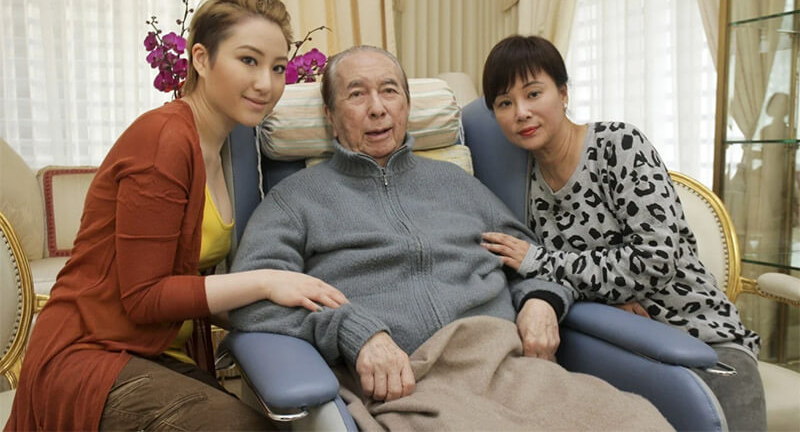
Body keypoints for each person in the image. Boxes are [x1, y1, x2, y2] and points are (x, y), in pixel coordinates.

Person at [229, 45, 673, 430]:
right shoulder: (296, 200)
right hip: (408, 383)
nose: (378, 108)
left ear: (406, 104)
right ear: (330, 116)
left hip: (511, 368)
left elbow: (531, 258)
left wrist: (542, 299)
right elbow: (251, 299)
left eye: (389, 91)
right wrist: (354, 331)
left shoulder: (457, 183)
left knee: (640, 421)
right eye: (357, 94)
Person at [5, 0, 347, 432]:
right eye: (248, 60)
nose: (267, 83)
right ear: (201, 60)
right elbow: (145, 298)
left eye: (278, 67)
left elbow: (190, 284)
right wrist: (267, 281)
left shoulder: (229, 147)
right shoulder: (164, 141)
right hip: (89, 353)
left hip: (150, 349)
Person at [479, 35, 766, 431]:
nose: (521, 113)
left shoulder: (619, 145)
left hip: (705, 341)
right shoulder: (522, 183)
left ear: (563, 93)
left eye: (533, 93)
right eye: (504, 103)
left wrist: (541, 260)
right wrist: (607, 298)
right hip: (619, 344)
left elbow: (654, 260)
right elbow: (545, 278)